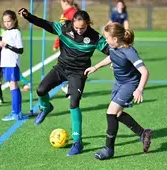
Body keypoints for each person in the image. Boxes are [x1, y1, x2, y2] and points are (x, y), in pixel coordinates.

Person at [18, 8, 109, 156]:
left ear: (88, 24)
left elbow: (111, 51)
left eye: (83, 28)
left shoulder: (95, 38)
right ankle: (46, 107)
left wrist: (114, 61)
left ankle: (77, 142)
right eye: (77, 27)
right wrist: (28, 17)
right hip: (61, 68)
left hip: (78, 73)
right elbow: (44, 24)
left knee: (74, 103)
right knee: (41, 90)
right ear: (72, 22)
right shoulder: (64, 28)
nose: (80, 30)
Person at [84, 22, 152, 160]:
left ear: (115, 39)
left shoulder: (129, 51)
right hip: (119, 84)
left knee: (111, 113)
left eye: (107, 38)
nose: (106, 40)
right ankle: (143, 133)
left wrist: (139, 89)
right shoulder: (113, 47)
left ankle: (109, 149)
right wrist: (96, 67)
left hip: (130, 84)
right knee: (118, 114)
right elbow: (111, 57)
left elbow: (145, 72)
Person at [0, 15, 31, 91]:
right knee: (2, 72)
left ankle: (26, 82)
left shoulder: (0, 31)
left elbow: (5, 39)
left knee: (13, 72)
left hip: (4, 54)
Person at [0, 10, 24, 121]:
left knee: (13, 86)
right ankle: (16, 112)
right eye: (5, 21)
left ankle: (16, 112)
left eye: (9, 21)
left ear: (14, 20)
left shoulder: (16, 32)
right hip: (5, 63)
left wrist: (7, 46)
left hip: (12, 63)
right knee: (12, 86)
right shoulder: (5, 33)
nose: (7, 23)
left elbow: (20, 50)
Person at [53, 0, 80, 96]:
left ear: (65, 2)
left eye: (61, 2)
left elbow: (61, 30)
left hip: (69, 46)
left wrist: (56, 43)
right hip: (73, 45)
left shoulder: (69, 14)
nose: (60, 4)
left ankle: (70, 89)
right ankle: (71, 90)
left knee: (67, 68)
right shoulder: (73, 12)